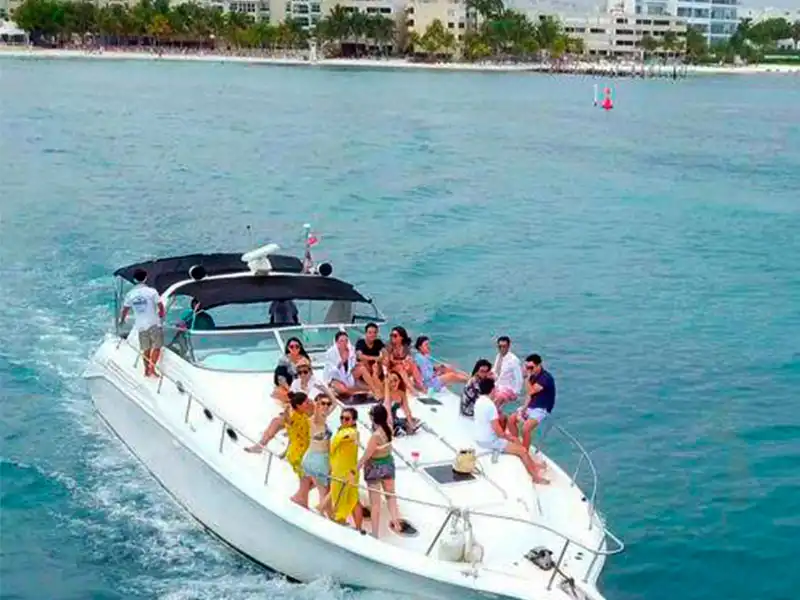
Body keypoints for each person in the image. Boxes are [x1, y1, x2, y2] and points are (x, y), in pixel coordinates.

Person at [473, 377, 548, 484]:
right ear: (492, 389)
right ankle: (536, 478)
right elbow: (497, 430)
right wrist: (507, 436)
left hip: (479, 437)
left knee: (517, 441)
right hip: (489, 441)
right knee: (523, 451)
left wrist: (510, 438)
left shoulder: (479, 401)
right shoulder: (490, 406)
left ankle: (534, 465)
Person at [245, 391, 315, 505]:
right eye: (306, 402)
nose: (309, 403)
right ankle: (301, 499)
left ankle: (300, 497)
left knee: (310, 479)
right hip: (298, 454)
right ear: (299, 406)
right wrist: (287, 407)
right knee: (307, 478)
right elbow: (288, 419)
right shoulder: (294, 417)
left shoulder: (303, 416)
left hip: (301, 451)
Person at [357, 404, 406, 537]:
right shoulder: (389, 428)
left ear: (373, 418)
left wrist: (357, 467)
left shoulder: (376, 436)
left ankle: (375, 533)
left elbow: (367, 454)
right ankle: (397, 523)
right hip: (388, 465)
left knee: (375, 504)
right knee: (391, 496)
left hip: (374, 468)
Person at [319, 407, 363, 529]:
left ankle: (327, 512)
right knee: (340, 495)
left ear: (354, 421)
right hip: (340, 470)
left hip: (347, 471)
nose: (343, 420)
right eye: (342, 418)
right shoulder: (341, 431)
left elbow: (350, 436)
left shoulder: (352, 433)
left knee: (349, 498)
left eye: (347, 418)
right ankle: (333, 516)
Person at [119, 269, 165, 377]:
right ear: (146, 277)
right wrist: (161, 315)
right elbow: (161, 307)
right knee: (157, 347)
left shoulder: (130, 294)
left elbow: (125, 309)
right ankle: (152, 368)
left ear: (134, 279)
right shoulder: (152, 291)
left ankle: (146, 370)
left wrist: (122, 320)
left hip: (140, 326)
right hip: (154, 323)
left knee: (146, 349)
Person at [508, 353, 556, 453]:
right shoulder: (534, 376)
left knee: (525, 429)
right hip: (531, 406)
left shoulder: (545, 378)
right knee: (511, 419)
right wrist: (525, 408)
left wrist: (527, 378)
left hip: (541, 408)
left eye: (531, 367)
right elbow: (529, 395)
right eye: (527, 367)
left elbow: (530, 391)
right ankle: (516, 444)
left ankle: (524, 452)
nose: (528, 369)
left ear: (539, 365)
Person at [302, 393, 335, 515]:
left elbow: (335, 403)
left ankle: (327, 515)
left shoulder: (324, 418)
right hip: (318, 459)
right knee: (324, 492)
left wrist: (326, 390)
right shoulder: (315, 419)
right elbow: (316, 412)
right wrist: (317, 402)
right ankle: (324, 516)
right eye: (323, 403)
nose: (326, 406)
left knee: (324, 490)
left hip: (319, 458)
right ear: (317, 404)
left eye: (327, 404)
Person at [323, 331, 376, 398]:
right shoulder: (330, 353)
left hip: (347, 376)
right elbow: (331, 372)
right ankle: (358, 393)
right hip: (335, 379)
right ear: (337, 343)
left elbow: (352, 365)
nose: (344, 343)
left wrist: (358, 364)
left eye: (346, 340)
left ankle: (374, 389)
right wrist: (342, 361)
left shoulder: (351, 350)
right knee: (343, 389)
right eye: (341, 341)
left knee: (362, 368)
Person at [384, 326, 422, 392]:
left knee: (413, 364)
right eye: (391, 335)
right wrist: (402, 362)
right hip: (392, 369)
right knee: (400, 367)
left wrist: (407, 362)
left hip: (404, 368)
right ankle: (413, 391)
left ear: (401, 337)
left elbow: (409, 357)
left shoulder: (405, 346)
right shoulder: (389, 345)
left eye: (395, 335)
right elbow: (390, 360)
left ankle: (420, 386)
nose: (392, 337)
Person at [273, 337, 310, 402]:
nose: (294, 348)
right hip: (287, 384)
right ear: (288, 348)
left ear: (300, 347)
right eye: (291, 346)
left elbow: (309, 375)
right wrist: (289, 389)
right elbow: (280, 376)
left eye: (297, 346)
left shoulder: (305, 359)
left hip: (302, 384)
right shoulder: (284, 359)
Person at [492, 336, 523, 406]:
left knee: (496, 401)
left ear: (508, 346)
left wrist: (516, 393)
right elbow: (495, 371)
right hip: (498, 386)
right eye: (500, 346)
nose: (502, 349)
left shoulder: (513, 360)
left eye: (504, 346)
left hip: (509, 389)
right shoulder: (498, 356)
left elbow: (519, 378)